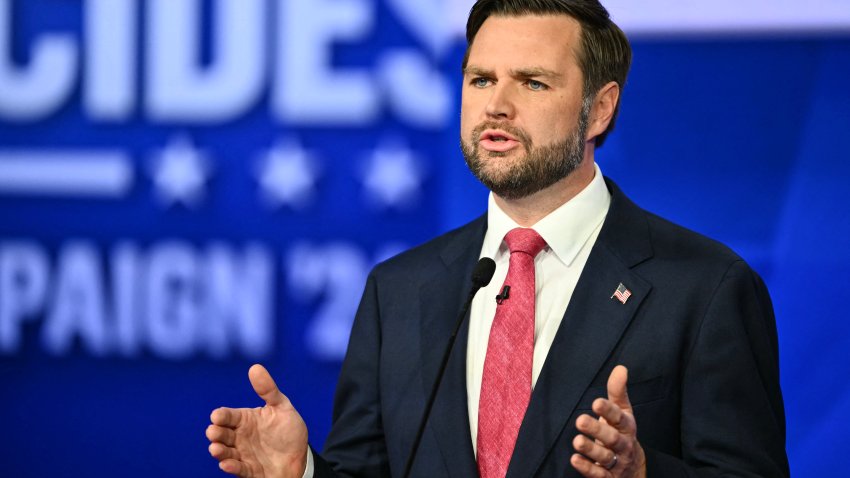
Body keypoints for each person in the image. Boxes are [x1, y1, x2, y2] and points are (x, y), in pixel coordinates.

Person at [206, 0, 789, 476]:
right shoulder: (399, 290)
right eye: (481, 79)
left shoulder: (705, 288)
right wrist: (302, 473)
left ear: (600, 110)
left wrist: (642, 473)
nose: (497, 106)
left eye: (533, 83)